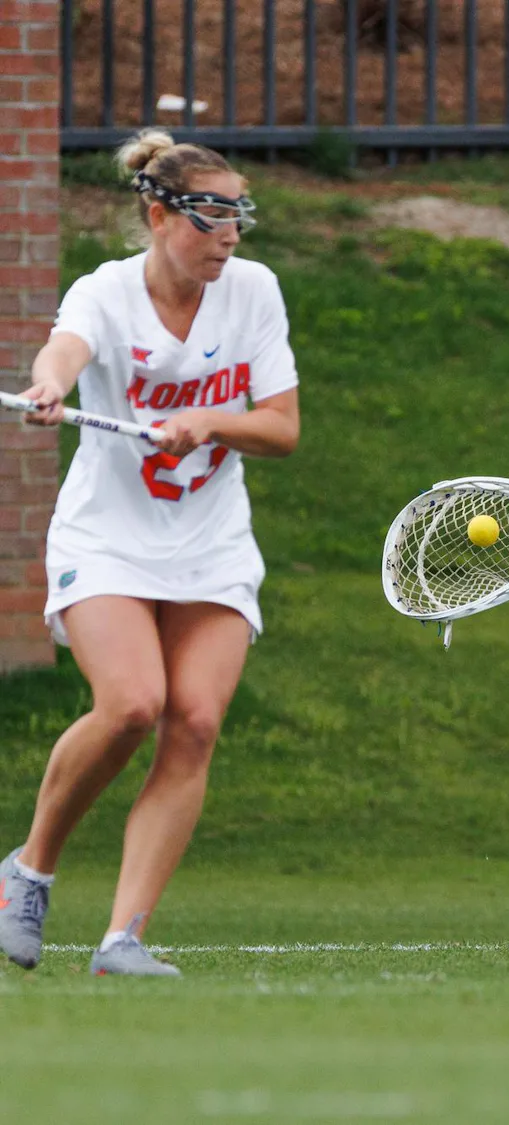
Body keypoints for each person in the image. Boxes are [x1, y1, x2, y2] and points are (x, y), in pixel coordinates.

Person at [0, 129, 299, 975]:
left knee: (195, 721)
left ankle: (122, 937)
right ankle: (28, 870)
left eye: (239, 213)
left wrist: (212, 420)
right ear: (159, 213)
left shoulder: (253, 292)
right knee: (132, 703)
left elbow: (281, 428)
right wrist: (50, 384)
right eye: (212, 214)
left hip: (210, 543)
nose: (230, 233)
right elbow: (66, 349)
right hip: (108, 538)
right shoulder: (106, 292)